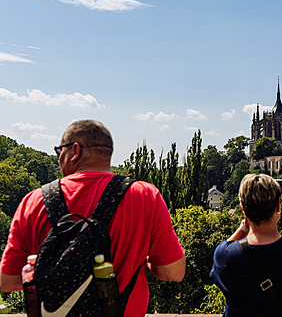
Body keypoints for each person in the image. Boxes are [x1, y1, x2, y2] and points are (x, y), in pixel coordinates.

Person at [0, 120, 186, 316]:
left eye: (59, 151)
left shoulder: (34, 201)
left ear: (75, 150)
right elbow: (173, 272)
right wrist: (141, 257)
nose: (58, 158)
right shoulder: (145, 196)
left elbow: (8, 281)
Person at [210, 174, 282, 316]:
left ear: (242, 209)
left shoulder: (225, 256)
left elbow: (226, 245)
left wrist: (244, 227)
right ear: (278, 205)